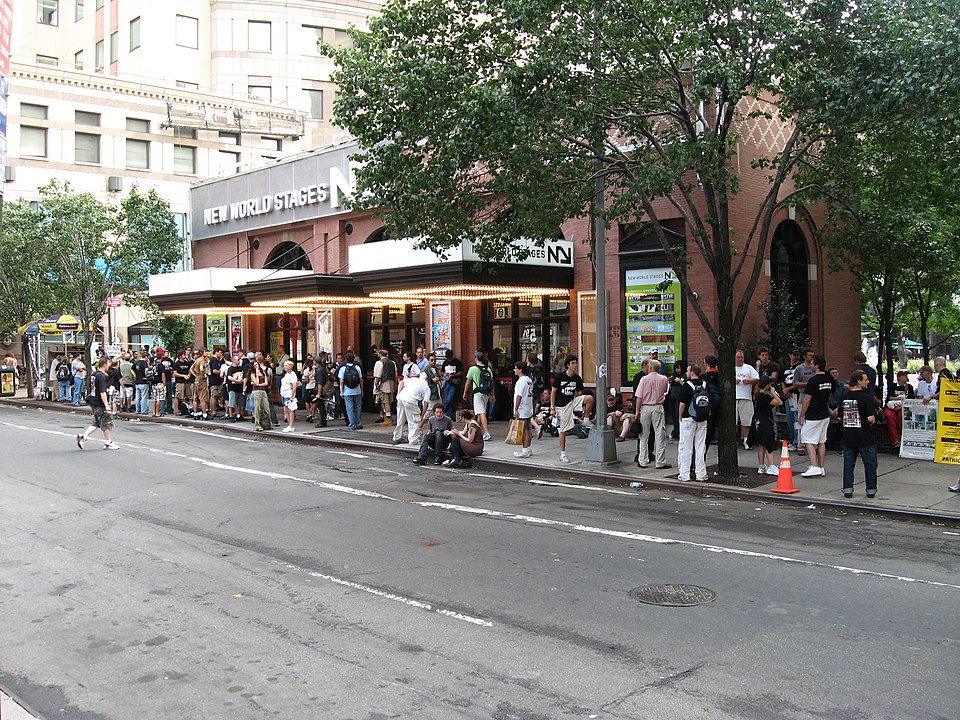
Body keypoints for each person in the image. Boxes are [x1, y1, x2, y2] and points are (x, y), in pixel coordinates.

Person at [550, 354, 596, 464]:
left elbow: (579, 393)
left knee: (589, 398)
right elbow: (553, 392)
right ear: (567, 365)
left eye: (576, 363)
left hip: (572, 401)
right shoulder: (560, 377)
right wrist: (552, 407)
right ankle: (562, 454)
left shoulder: (577, 378)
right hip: (562, 406)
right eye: (573, 363)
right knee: (563, 430)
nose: (575, 365)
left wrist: (581, 407)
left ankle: (586, 420)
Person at [841, 369, 879, 498]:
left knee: (848, 465)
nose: (868, 382)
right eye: (865, 379)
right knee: (869, 464)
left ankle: (847, 489)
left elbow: (840, 417)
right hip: (865, 437)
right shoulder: (866, 398)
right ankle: (871, 490)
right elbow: (870, 418)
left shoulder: (845, 397)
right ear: (858, 382)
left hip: (848, 436)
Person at [799, 355, 835, 477]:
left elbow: (807, 399)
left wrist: (802, 414)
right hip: (824, 414)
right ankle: (821, 466)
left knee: (808, 439)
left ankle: (814, 466)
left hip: (813, 415)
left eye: (812, 363)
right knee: (821, 441)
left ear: (817, 365)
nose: (810, 365)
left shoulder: (813, 381)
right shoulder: (829, 379)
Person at [633, 358, 670, 469]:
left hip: (645, 407)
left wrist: (637, 410)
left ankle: (643, 460)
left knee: (644, 435)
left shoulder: (644, 379)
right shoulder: (664, 379)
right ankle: (660, 461)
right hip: (658, 407)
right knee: (660, 434)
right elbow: (664, 393)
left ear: (649, 368)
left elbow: (639, 396)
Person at [76, 356, 118, 450]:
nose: (109, 366)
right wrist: (107, 406)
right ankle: (108, 443)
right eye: (108, 364)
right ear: (105, 364)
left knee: (97, 422)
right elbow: (102, 392)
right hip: (100, 402)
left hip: (93, 401)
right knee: (107, 422)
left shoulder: (94, 375)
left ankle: (84, 436)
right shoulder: (101, 376)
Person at [676, 364, 708, 482]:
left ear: (693, 372)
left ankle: (684, 474)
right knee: (700, 446)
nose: (687, 373)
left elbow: (682, 404)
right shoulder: (704, 384)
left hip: (688, 418)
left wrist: (680, 417)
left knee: (686, 447)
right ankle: (701, 474)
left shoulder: (687, 386)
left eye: (688, 371)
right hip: (702, 418)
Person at [752, 375, 783, 476]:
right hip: (766, 421)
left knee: (762, 444)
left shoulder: (758, 395)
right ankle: (772, 466)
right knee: (769, 443)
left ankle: (761, 466)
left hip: (758, 421)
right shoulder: (765, 396)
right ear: (767, 385)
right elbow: (779, 402)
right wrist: (773, 392)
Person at [463, 350, 495, 441]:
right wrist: (493, 395)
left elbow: (468, 383)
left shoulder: (473, 369)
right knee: (480, 413)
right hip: (486, 394)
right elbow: (492, 383)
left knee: (481, 413)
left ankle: (486, 433)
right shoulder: (488, 368)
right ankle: (475, 430)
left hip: (477, 393)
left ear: (476, 358)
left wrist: (465, 393)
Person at [393, 374, 431, 445]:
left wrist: (398, 394)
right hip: (411, 400)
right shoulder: (427, 387)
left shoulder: (414, 379)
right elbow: (425, 405)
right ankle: (413, 439)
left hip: (401, 398)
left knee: (400, 419)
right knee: (414, 421)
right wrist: (421, 416)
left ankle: (397, 437)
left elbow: (401, 382)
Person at [734, 349, 759, 449]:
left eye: (741, 357)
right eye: (738, 357)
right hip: (733, 399)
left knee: (746, 421)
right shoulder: (730, 368)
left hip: (746, 397)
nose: (740, 359)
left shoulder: (748, 368)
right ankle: (733, 440)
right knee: (733, 421)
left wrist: (749, 381)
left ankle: (746, 441)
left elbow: (757, 379)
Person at [882, 369, 915, 446]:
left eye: (906, 375)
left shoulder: (909, 387)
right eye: (904, 375)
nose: (906, 377)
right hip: (892, 406)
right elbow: (890, 397)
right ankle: (895, 439)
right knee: (889, 416)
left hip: (903, 406)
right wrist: (900, 398)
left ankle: (901, 437)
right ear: (899, 377)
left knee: (902, 417)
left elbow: (911, 399)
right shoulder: (893, 386)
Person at [781, 349, 803, 450]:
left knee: (796, 419)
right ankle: (793, 439)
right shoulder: (785, 367)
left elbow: (799, 382)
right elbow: (782, 381)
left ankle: (796, 442)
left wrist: (789, 389)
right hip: (788, 397)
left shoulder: (801, 367)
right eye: (794, 355)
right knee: (790, 419)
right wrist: (785, 390)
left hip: (797, 396)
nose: (796, 357)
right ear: (790, 355)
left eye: (798, 355)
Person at [512, 361, 535, 458]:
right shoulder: (529, 380)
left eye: (516, 368)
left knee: (525, 429)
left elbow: (519, 396)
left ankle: (525, 449)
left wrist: (516, 409)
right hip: (528, 407)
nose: (514, 370)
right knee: (528, 429)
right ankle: (528, 448)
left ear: (520, 370)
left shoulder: (521, 381)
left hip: (522, 408)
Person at [338, 351, 364, 430]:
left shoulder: (343, 369)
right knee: (358, 407)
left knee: (349, 408)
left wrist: (341, 391)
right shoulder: (357, 368)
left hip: (347, 392)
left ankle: (352, 424)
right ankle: (358, 423)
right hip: (357, 391)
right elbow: (361, 380)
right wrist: (362, 390)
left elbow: (341, 381)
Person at [373, 349, 397, 426]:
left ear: (380, 354)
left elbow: (377, 375)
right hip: (391, 383)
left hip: (383, 384)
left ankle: (388, 419)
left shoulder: (379, 363)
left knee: (385, 401)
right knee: (389, 401)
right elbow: (395, 374)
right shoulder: (392, 362)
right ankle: (388, 418)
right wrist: (395, 384)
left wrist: (376, 384)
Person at [702, 354, 721, 446]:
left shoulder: (704, 377)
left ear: (707, 364)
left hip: (707, 406)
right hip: (718, 405)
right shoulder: (719, 377)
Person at [249, 356, 272, 431]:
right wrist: (257, 374)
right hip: (256, 391)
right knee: (257, 408)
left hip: (263, 391)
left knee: (266, 407)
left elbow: (266, 383)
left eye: (257, 365)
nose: (256, 366)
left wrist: (258, 383)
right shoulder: (252, 374)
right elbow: (256, 382)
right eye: (254, 365)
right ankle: (257, 424)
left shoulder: (263, 372)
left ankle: (267, 423)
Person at [441, 348, 465, 419]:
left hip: (454, 382)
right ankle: (449, 415)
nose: (448, 359)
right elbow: (441, 371)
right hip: (447, 382)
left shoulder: (457, 362)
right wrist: (444, 374)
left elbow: (461, 372)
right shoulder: (445, 362)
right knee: (449, 399)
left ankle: (442, 410)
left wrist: (453, 375)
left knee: (449, 398)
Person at [190, 349, 211, 420]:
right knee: (202, 398)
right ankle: (204, 414)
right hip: (202, 381)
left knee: (195, 398)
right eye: (205, 352)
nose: (207, 353)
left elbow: (191, 369)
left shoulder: (197, 360)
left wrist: (196, 375)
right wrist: (204, 374)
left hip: (196, 380)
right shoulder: (202, 360)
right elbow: (202, 369)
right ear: (202, 353)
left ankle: (195, 413)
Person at [279, 359, 299, 433]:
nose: (285, 367)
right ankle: (289, 425)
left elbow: (294, 386)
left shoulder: (293, 375)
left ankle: (291, 425)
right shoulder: (286, 374)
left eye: (286, 365)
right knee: (286, 410)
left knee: (290, 410)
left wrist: (292, 396)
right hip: (284, 394)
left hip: (289, 394)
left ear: (290, 366)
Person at [151, 352, 170, 417]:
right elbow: (163, 375)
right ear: (161, 357)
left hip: (153, 383)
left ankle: (153, 412)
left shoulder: (153, 365)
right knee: (159, 398)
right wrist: (164, 383)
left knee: (155, 398)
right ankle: (157, 412)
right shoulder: (161, 366)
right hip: (160, 383)